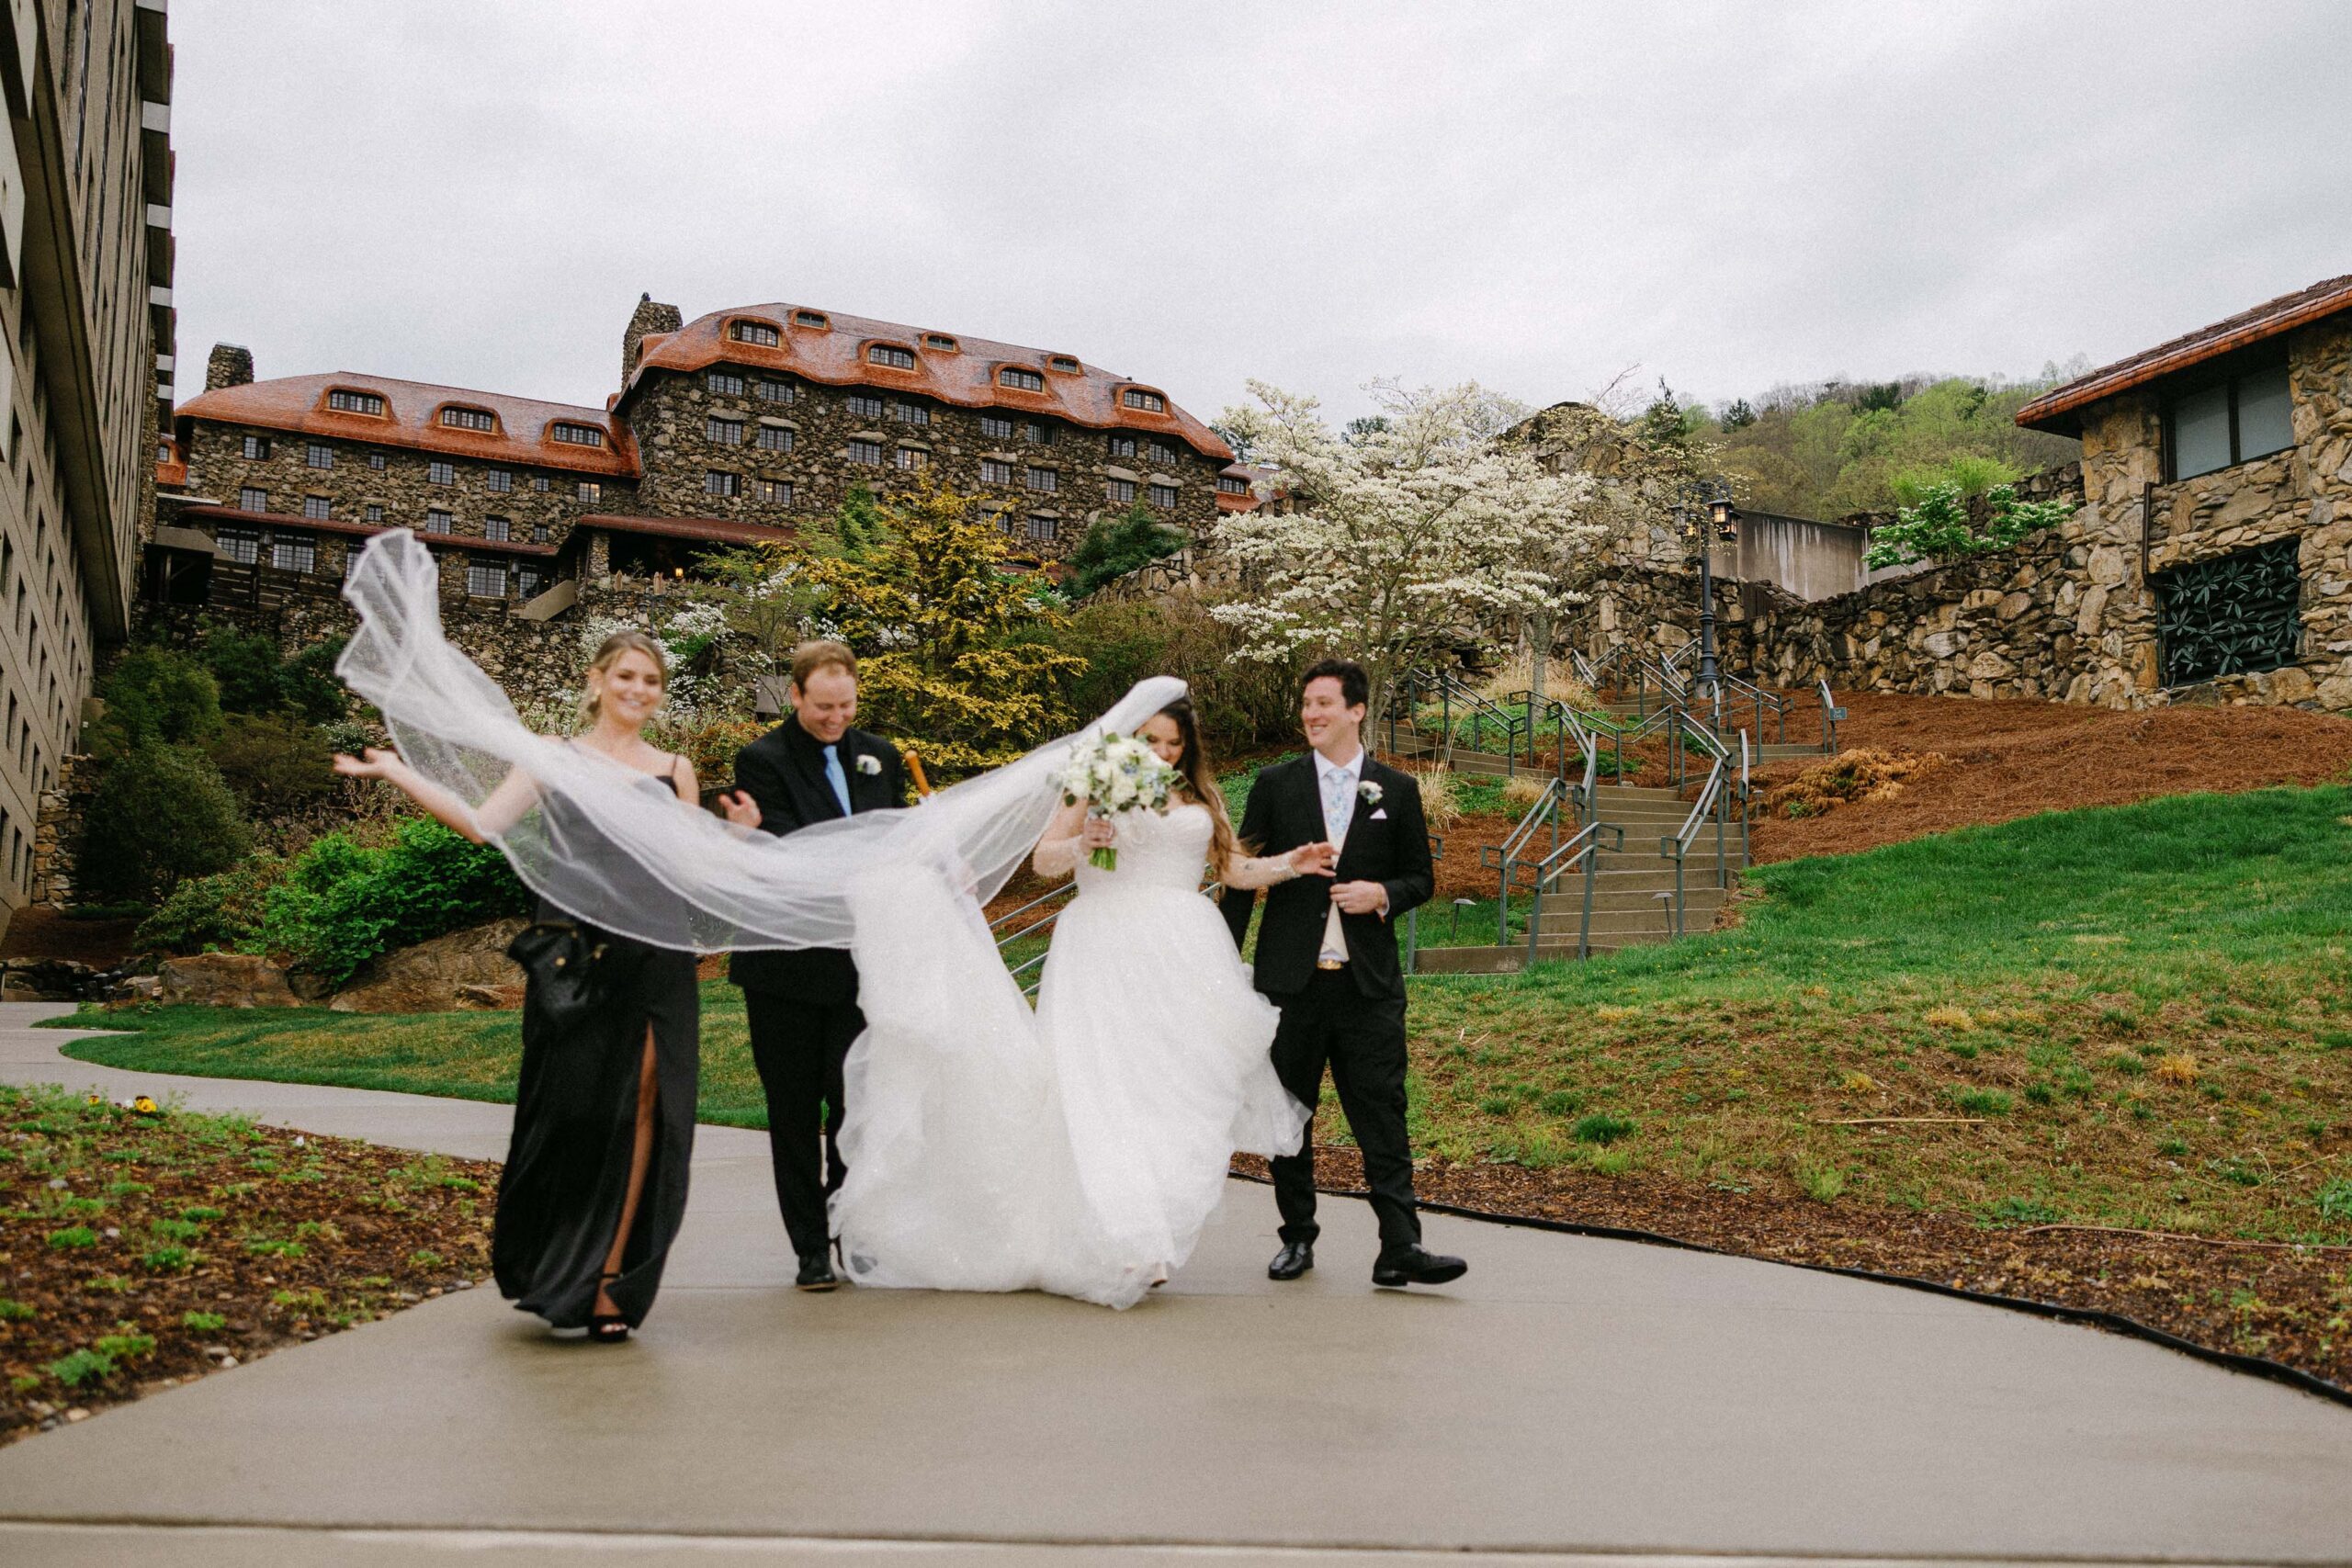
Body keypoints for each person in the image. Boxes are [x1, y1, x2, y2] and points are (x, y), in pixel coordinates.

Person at [334, 629, 755, 1340]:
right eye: (626, 675)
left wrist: (737, 839)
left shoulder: (677, 769)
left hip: (657, 959)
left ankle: (611, 1282)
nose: (638, 690)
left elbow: (692, 873)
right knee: (573, 1113)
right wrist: (398, 773)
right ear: (596, 681)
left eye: (650, 680)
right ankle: (554, 1262)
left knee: (648, 1111)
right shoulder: (552, 757)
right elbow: (481, 824)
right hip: (575, 961)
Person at [1024, 696, 1329, 1287]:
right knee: (1110, 1092)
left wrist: (1293, 862)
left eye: (1174, 744)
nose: (1163, 754)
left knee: (1174, 1094)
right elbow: (1044, 862)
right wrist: (1084, 843)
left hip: (1183, 956)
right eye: (1151, 742)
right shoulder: (1089, 783)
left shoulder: (1202, 796)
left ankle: (1155, 1231)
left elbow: (1234, 871)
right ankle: (1125, 1237)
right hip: (1104, 951)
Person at [1220, 659, 1465, 1290]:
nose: (1312, 713)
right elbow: (1243, 881)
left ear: (1356, 709)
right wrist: (1219, 962)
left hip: (1368, 987)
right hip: (1290, 984)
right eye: (1306, 703)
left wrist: (1379, 894)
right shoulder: (1275, 784)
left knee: (1383, 1111)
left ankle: (1400, 1245)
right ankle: (1297, 1237)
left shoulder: (1397, 789)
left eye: (1324, 702)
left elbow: (1421, 878)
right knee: (1290, 1115)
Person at [720, 640, 908, 1292]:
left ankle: (849, 1225)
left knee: (856, 1101)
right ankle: (808, 1247)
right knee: (794, 1109)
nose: (835, 717)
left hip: (863, 961)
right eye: (823, 705)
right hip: (785, 966)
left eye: (846, 704)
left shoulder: (880, 756)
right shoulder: (761, 760)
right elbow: (796, 851)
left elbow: (899, 839)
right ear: (795, 694)